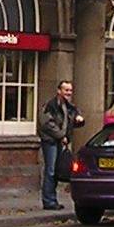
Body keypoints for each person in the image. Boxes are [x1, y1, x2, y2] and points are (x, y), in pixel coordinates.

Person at [37, 80, 80, 210]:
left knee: (56, 170)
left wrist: (79, 119)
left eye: (70, 90)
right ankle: (48, 201)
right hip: (50, 141)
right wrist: (61, 135)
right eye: (66, 90)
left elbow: (71, 121)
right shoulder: (51, 105)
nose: (68, 93)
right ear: (59, 90)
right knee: (50, 170)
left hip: (61, 141)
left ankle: (52, 200)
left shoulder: (69, 106)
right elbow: (46, 123)